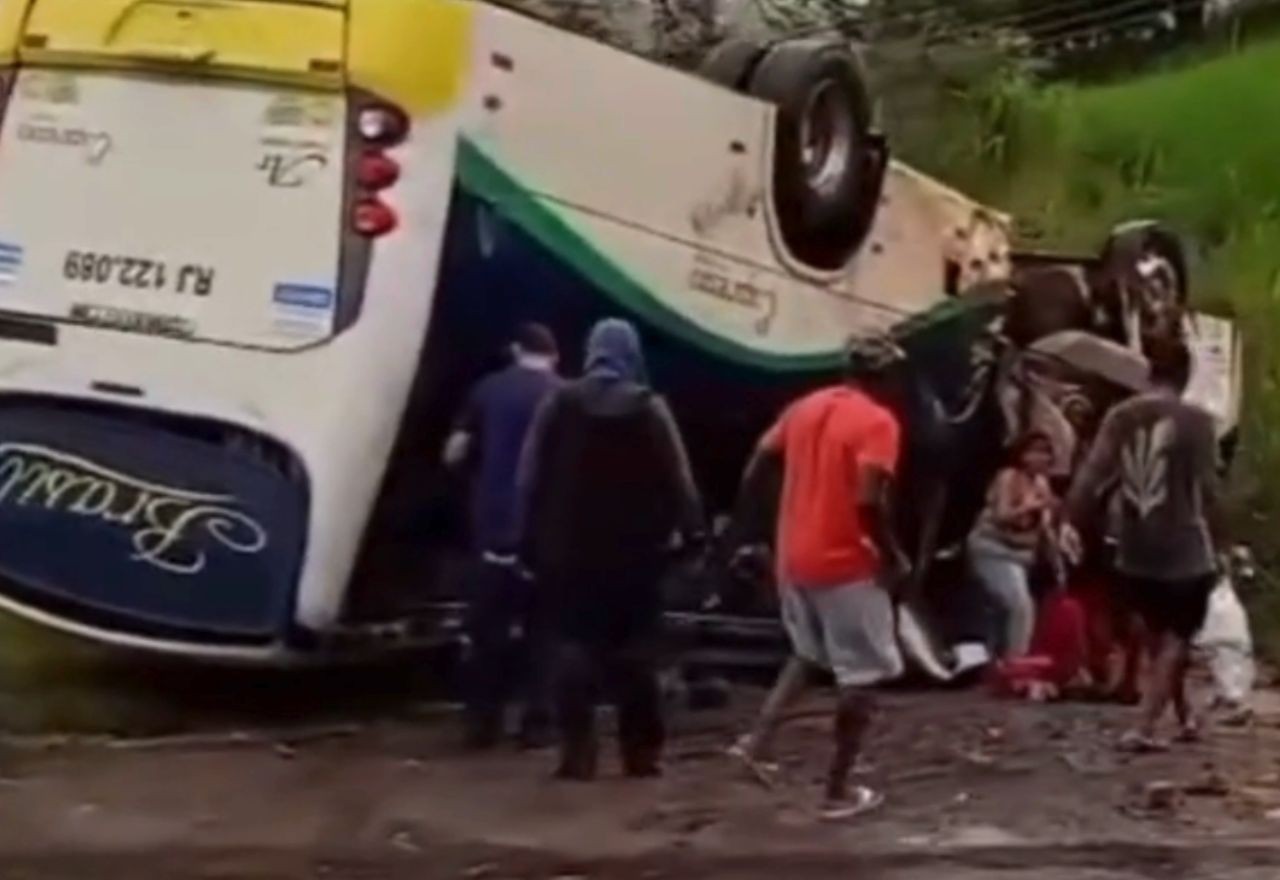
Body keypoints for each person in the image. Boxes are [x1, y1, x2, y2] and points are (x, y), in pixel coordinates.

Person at [729, 333, 910, 820]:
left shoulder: (805, 407)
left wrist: (755, 525)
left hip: (795, 556)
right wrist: (892, 555)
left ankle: (756, 742)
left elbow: (760, 461)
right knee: (862, 676)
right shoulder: (878, 422)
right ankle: (837, 789)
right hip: (846, 562)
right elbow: (869, 500)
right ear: (884, 376)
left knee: (808, 653)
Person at [519, 318, 702, 780]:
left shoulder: (557, 404)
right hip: (638, 554)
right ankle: (641, 755)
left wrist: (527, 539)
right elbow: (681, 482)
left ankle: (577, 753)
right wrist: (693, 535)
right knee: (638, 651)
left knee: (572, 648)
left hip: (568, 551)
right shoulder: (650, 408)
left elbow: (528, 477)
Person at [1062, 336, 1223, 751]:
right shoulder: (1199, 422)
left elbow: (1091, 476)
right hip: (1185, 545)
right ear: (1186, 377)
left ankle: (1185, 716)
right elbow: (1210, 488)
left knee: (1159, 635)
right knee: (1176, 638)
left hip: (1135, 546)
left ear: (1148, 373)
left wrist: (1070, 521)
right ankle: (1143, 727)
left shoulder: (1121, 416)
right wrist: (1223, 536)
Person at [444, 322, 563, 750]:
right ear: (554, 355)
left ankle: (481, 725)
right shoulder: (563, 396)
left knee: (486, 629)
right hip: (544, 530)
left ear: (515, 350)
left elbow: (454, 452)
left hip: (493, 526)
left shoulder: (486, 390)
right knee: (543, 629)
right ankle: (537, 723)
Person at [967, 431, 1058, 659]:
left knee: (1018, 605)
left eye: (1045, 452)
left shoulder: (1041, 484)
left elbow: (1044, 526)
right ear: (1022, 455)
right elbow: (1002, 514)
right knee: (1020, 604)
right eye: (1035, 452)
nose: (1041, 458)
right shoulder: (1008, 477)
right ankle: (1017, 660)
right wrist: (1029, 506)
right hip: (993, 549)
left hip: (1022, 554)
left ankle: (1008, 657)